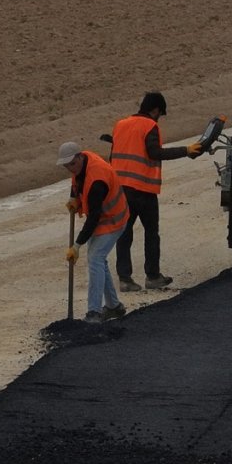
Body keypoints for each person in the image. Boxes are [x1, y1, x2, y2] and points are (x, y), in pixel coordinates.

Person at [109, 92, 203, 292]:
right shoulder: (150, 126)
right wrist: (186, 151)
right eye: (160, 113)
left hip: (122, 189)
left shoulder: (120, 124)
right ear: (155, 110)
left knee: (124, 234)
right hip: (143, 190)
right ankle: (152, 276)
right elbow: (155, 153)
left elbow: (113, 157)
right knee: (152, 233)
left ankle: (125, 279)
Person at [59, 142, 128, 324]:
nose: (70, 169)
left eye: (72, 164)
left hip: (113, 220)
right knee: (98, 259)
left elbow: (93, 218)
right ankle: (114, 307)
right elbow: (77, 180)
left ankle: (94, 312)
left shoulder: (97, 179)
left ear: (80, 156)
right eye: (67, 166)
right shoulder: (82, 164)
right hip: (101, 218)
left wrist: (76, 245)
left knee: (95, 258)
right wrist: (74, 197)